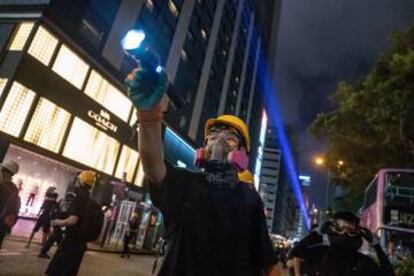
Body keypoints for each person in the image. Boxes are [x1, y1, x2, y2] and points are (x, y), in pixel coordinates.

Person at [125, 63, 280, 275]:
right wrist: (149, 116)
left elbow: (268, 262)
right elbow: (153, 165)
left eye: (230, 138)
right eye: (213, 137)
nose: (219, 141)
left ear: (243, 152)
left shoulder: (250, 198)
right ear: (203, 149)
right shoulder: (186, 183)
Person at [290, 211, 395, 276]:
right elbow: (297, 252)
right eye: (340, 228)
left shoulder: (362, 262)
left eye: (350, 229)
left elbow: (388, 274)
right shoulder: (322, 252)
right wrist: (317, 233)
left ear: (359, 233)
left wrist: (376, 245)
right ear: (331, 230)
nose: (344, 233)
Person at [46, 170, 96, 276]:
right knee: (70, 271)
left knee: (58, 270)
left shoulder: (79, 199)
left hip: (71, 241)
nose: (76, 182)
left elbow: (72, 220)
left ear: (82, 182)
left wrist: (57, 222)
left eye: (78, 180)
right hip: (80, 244)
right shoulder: (90, 201)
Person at [38, 192, 76, 259]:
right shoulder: (65, 204)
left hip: (57, 222)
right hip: (59, 223)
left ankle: (44, 252)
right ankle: (59, 255)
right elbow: (64, 213)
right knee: (58, 239)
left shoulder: (61, 201)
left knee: (54, 238)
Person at [0, 160, 20, 249]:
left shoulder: (2, 186)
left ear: (5, 172)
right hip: (3, 223)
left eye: (1, 169)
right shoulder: (14, 188)